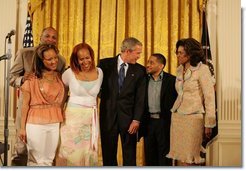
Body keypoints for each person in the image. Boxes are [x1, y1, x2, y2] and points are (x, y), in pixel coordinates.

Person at [9, 27, 66, 166]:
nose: (50, 39)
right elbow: (11, 78)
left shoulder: (61, 60)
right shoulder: (25, 53)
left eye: (54, 37)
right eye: (47, 36)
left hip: (51, 115)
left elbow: (61, 84)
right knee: (21, 149)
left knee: (47, 156)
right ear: (40, 36)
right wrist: (23, 80)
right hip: (28, 110)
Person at [166, 38, 216, 166]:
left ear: (191, 53)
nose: (178, 55)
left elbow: (209, 97)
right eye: (177, 52)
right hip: (177, 117)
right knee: (180, 157)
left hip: (194, 118)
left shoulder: (202, 69)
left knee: (191, 158)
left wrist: (209, 123)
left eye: (181, 52)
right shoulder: (179, 70)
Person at [98, 37, 147, 166]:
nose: (139, 56)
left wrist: (136, 119)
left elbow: (140, 98)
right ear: (127, 51)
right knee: (108, 154)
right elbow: (97, 87)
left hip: (129, 120)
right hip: (108, 117)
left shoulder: (140, 71)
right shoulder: (104, 65)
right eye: (137, 53)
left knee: (130, 156)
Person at [56, 43, 103, 166]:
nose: (85, 61)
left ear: (92, 57)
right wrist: (60, 109)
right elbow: (63, 91)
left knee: (89, 150)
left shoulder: (100, 72)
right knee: (73, 150)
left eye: (87, 57)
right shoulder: (69, 73)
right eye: (81, 59)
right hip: (73, 117)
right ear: (76, 60)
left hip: (91, 117)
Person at [143, 53, 177, 166]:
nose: (148, 65)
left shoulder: (172, 80)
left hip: (164, 122)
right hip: (148, 123)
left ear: (161, 65)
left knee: (164, 155)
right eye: (148, 62)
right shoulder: (143, 80)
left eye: (151, 62)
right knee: (149, 155)